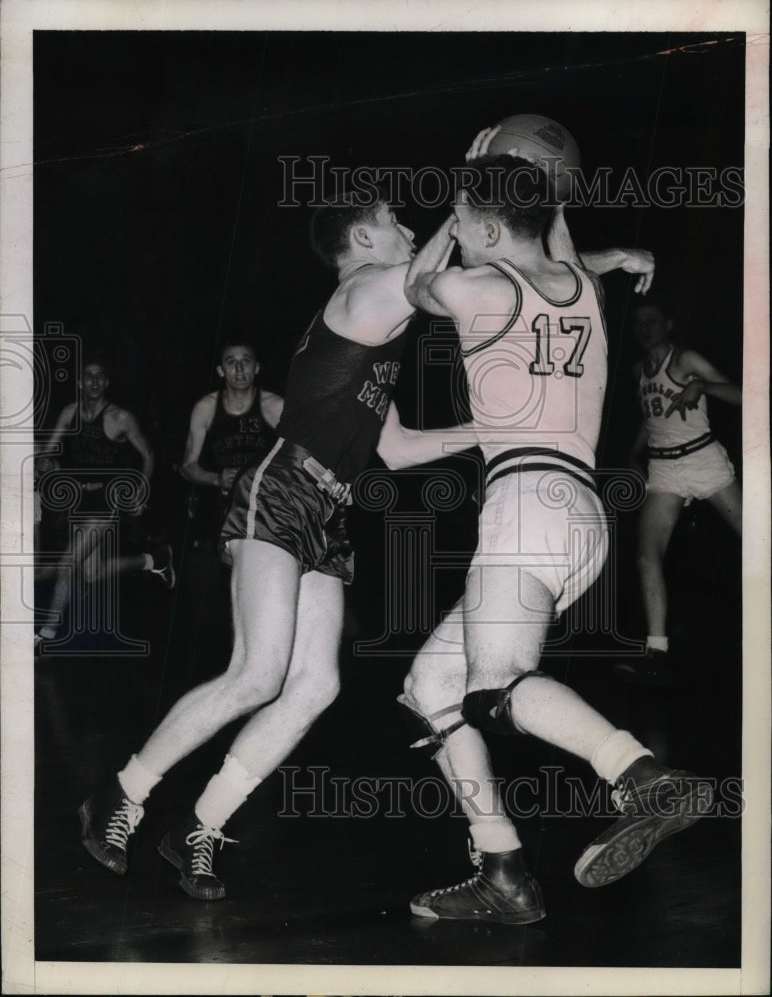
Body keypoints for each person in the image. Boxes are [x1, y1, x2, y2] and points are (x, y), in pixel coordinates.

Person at [78, 191, 482, 900]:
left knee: (315, 685)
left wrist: (492, 430)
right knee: (256, 674)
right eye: (396, 220)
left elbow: (399, 449)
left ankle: (198, 827)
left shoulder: (378, 331)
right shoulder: (363, 289)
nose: (409, 228)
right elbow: (436, 278)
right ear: (362, 236)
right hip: (283, 490)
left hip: (327, 511)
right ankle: (121, 795)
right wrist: (471, 198)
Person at [399, 144, 712, 924]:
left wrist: (457, 206)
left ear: (492, 233)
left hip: (522, 510)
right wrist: (528, 189)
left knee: (494, 688)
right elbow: (562, 247)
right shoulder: (581, 288)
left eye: (470, 224)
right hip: (580, 517)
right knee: (430, 691)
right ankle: (502, 871)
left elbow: (414, 284)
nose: (461, 235)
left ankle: (641, 776)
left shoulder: (473, 288)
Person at [613, 298, 741, 687]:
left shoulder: (686, 360)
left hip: (703, 460)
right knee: (646, 555)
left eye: (651, 320)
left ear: (668, 324)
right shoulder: (639, 370)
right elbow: (651, 417)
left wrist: (702, 386)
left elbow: (744, 394)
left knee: (756, 542)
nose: (643, 328)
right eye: (637, 323)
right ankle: (656, 654)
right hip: (664, 469)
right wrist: (634, 454)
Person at [34, 358, 174, 651]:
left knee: (68, 563)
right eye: (89, 376)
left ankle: (46, 631)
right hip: (79, 499)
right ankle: (155, 560)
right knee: (91, 573)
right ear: (80, 383)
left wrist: (141, 490)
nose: (95, 382)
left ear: (106, 383)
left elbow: (148, 454)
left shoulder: (120, 418)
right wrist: (45, 464)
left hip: (105, 501)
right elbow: (48, 453)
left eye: (100, 377)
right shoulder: (70, 413)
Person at [180, 340, 283, 546]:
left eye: (246, 361)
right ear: (220, 370)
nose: (239, 369)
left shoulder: (276, 406)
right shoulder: (206, 408)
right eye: (231, 362)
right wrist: (218, 479)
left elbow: (299, 459)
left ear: (256, 368)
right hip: (221, 507)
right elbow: (187, 467)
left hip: (266, 503)